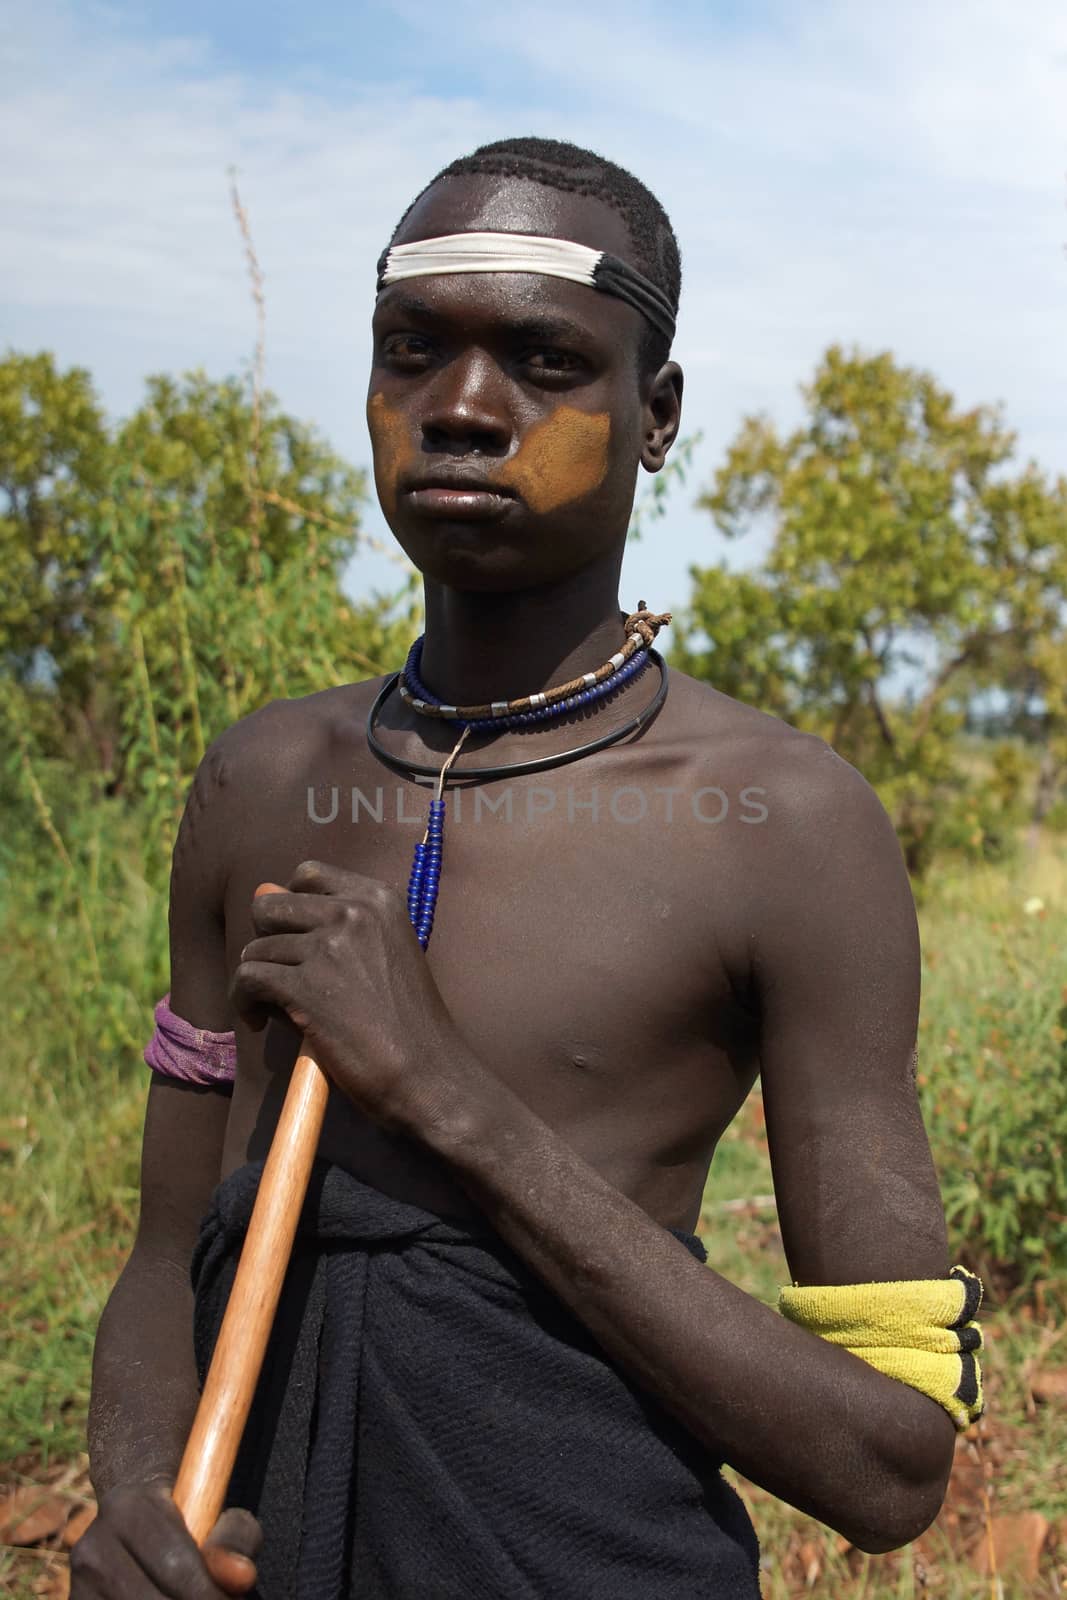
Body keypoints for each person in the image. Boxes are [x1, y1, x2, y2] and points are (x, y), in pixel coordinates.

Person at [75, 137, 980, 1599]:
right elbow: (162, 1258)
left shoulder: (787, 824)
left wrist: (446, 1100)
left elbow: (889, 1468)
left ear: (657, 412)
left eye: (546, 361)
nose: (466, 410)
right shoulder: (260, 783)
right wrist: (134, 1500)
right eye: (413, 351)